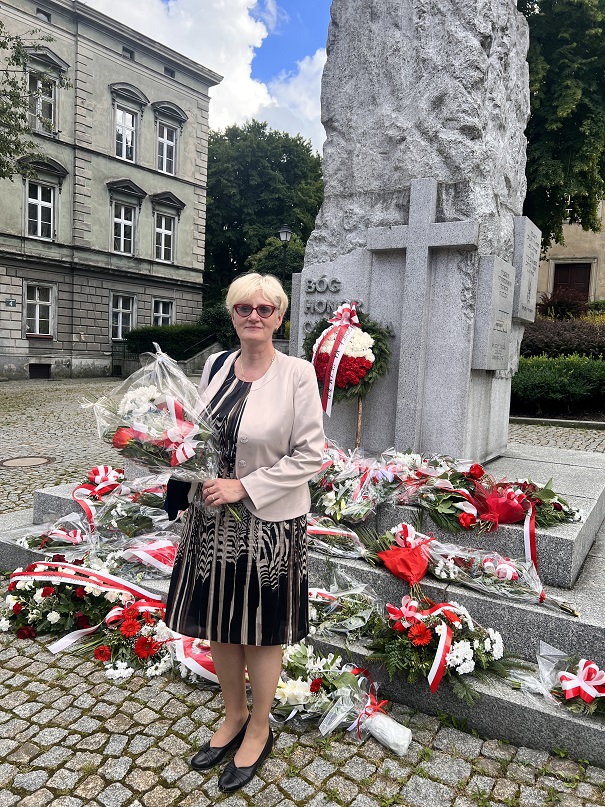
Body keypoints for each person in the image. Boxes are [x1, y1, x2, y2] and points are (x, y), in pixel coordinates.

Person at [164, 273, 325, 793]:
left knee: (259, 630)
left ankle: (259, 727)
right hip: (211, 520)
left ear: (279, 316)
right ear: (232, 315)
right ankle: (232, 715)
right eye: (243, 308)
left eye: (264, 309)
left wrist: (246, 486)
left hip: (268, 524)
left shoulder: (298, 374)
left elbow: (312, 454)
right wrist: (167, 447)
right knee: (220, 622)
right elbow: (196, 435)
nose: (253, 316)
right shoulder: (215, 366)